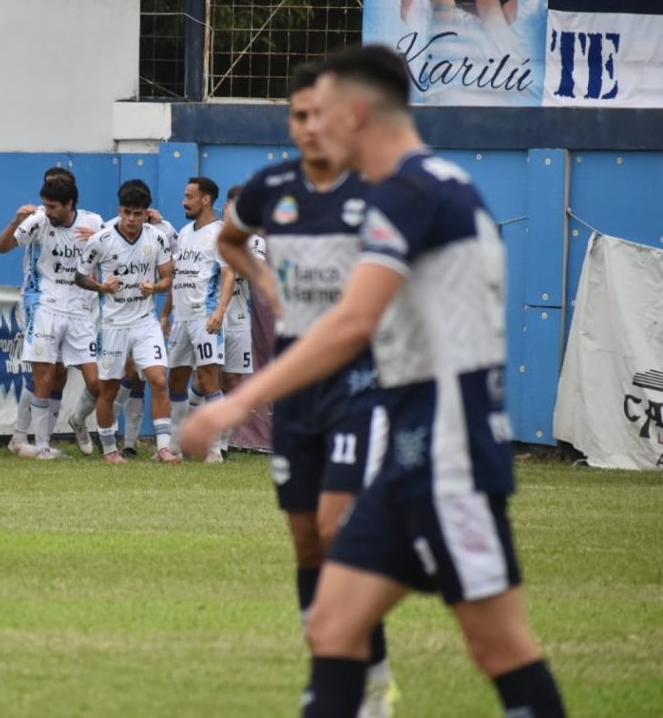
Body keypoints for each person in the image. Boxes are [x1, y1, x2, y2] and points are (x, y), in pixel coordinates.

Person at [182, 45, 566, 718]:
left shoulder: (412, 191)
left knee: (501, 649)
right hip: (410, 453)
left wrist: (233, 403)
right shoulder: (421, 186)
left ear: (356, 115)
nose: (309, 129)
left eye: (321, 114)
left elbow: (354, 320)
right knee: (333, 624)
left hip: (449, 454)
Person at [215, 63, 395, 717]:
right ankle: (342, 665)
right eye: (299, 116)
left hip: (357, 378)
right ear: (290, 122)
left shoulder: (375, 188)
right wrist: (264, 282)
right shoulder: (271, 187)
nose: (310, 127)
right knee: (306, 539)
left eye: (321, 113)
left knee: (337, 526)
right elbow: (231, 241)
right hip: (295, 381)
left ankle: (357, 677)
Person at [0, 176, 102, 459]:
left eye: (53, 206)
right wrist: (15, 221)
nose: (47, 211)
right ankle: (41, 446)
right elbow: (2, 247)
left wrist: (100, 242)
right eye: (45, 205)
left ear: (70, 204)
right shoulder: (39, 221)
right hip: (45, 306)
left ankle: (78, 421)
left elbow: (117, 248)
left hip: (80, 311)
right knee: (44, 376)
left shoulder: (93, 222)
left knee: (96, 382)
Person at [75, 182, 178, 464]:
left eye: (138, 213)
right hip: (114, 325)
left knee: (158, 380)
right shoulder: (102, 240)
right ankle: (110, 450)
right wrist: (102, 287)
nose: (132, 219)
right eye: (127, 213)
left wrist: (155, 288)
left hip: (145, 322)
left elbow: (169, 277)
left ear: (147, 213)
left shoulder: (157, 238)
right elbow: (80, 276)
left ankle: (164, 448)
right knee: (108, 390)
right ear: (119, 210)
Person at [165, 177, 235, 463]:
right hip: (181, 318)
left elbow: (229, 273)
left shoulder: (221, 233)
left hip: (205, 317)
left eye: (189, 196)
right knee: (177, 379)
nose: (184, 201)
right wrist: (165, 313)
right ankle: (175, 445)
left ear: (205, 199)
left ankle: (215, 449)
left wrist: (219, 311)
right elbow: (177, 277)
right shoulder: (183, 233)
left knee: (208, 379)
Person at [219, 184, 266, 400]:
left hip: (238, 318)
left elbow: (251, 270)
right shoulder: (209, 235)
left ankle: (230, 434)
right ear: (227, 206)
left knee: (232, 380)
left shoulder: (255, 241)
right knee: (205, 378)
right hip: (208, 316)